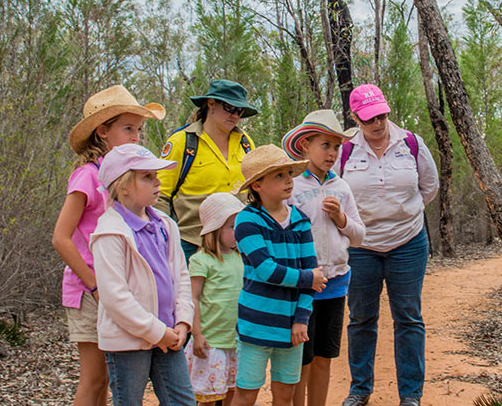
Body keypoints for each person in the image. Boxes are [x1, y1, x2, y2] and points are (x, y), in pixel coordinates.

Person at [52, 85, 165, 406]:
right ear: (102, 132)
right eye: (127, 129)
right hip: (89, 288)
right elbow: (61, 237)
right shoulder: (88, 176)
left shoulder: (126, 180)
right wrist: (94, 285)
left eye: (139, 130)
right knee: (95, 378)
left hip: (120, 287)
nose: (136, 137)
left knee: (112, 378)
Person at [339, 84, 439, 406]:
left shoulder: (410, 142)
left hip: (408, 243)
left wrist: (403, 214)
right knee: (361, 318)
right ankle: (360, 389)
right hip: (360, 247)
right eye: (369, 119)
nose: (378, 124)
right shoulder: (344, 150)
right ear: (355, 118)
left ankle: (411, 395)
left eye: (382, 115)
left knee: (408, 317)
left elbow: (429, 186)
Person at [90, 144, 195, 406]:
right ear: (123, 185)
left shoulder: (165, 224)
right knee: (130, 401)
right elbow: (115, 297)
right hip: (129, 342)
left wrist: (182, 321)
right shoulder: (109, 233)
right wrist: (155, 331)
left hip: (169, 334)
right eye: (147, 177)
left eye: (156, 176)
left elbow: (181, 276)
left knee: (182, 401)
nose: (157, 182)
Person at [230, 145, 328, 406]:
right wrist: (308, 278)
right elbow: (266, 270)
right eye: (279, 176)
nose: (288, 180)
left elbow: (313, 271)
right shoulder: (247, 221)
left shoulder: (301, 221)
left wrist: (301, 319)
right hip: (256, 324)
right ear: (257, 185)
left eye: (288, 174)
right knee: (246, 393)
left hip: (292, 329)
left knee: (285, 394)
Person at [281, 110, 366, 406]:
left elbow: (358, 236)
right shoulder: (291, 186)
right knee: (300, 360)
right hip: (302, 285)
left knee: (324, 356)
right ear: (305, 145)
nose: (331, 153)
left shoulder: (341, 187)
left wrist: (341, 218)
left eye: (336, 146)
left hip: (336, 283)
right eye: (325, 145)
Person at [157, 79, 258, 262]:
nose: (235, 115)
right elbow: (160, 194)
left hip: (238, 243)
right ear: (211, 103)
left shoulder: (245, 143)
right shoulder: (182, 142)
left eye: (240, 110)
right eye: (229, 107)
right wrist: (165, 238)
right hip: (193, 243)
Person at [185, 193, 246, 405]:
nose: (237, 231)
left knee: (232, 392)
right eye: (231, 226)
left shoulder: (242, 258)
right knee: (208, 397)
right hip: (212, 343)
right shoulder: (201, 261)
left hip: (236, 340)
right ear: (215, 228)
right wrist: (197, 334)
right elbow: (193, 298)